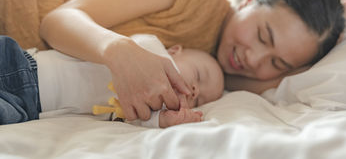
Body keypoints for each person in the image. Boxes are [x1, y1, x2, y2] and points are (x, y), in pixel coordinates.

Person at [0, 0, 346, 122]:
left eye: (277, 62)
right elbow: (58, 21)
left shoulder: (222, 79)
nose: (254, 59)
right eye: (262, 35)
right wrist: (119, 51)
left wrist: (340, 20)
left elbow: (288, 83)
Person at [0, 34, 224, 127]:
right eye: (198, 75)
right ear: (174, 51)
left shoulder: (147, 104)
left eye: (200, 99)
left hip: (25, 108)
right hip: (22, 66)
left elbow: (135, 118)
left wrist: (164, 120)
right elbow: (141, 44)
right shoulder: (149, 49)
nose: (195, 90)